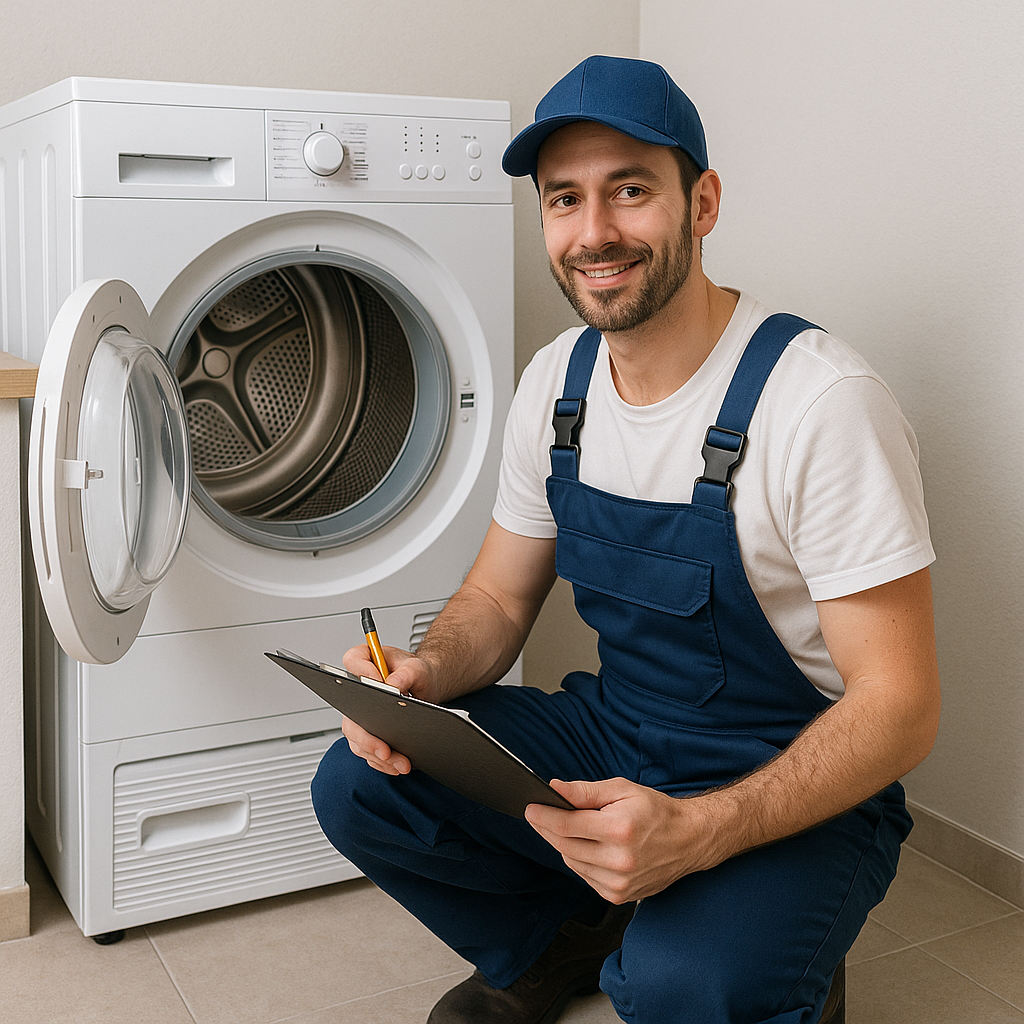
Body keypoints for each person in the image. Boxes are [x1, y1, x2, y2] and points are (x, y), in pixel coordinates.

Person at [311, 55, 940, 1024]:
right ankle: (561, 937)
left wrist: (709, 826)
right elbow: (496, 599)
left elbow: (900, 706)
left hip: (789, 765)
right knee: (363, 781)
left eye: (630, 191)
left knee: (686, 988)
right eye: (565, 199)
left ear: (702, 202)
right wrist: (422, 676)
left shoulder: (818, 400)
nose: (595, 231)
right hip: (619, 728)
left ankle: (777, 951)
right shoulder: (557, 381)